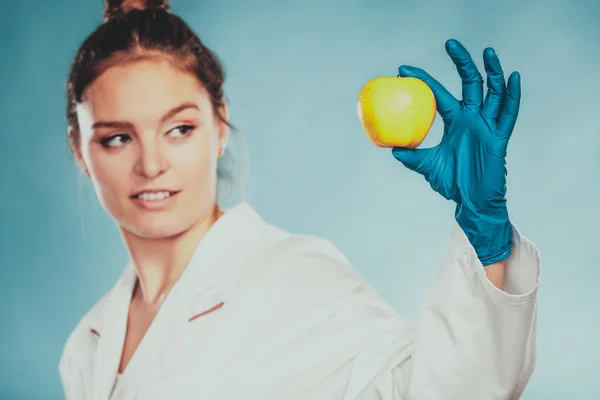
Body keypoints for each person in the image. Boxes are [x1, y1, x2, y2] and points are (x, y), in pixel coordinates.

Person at [58, 0, 542, 399]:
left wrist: (486, 234)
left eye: (179, 128)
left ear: (219, 125)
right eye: (118, 138)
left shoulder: (291, 276)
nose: (151, 164)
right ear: (80, 150)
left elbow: (437, 390)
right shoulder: (85, 346)